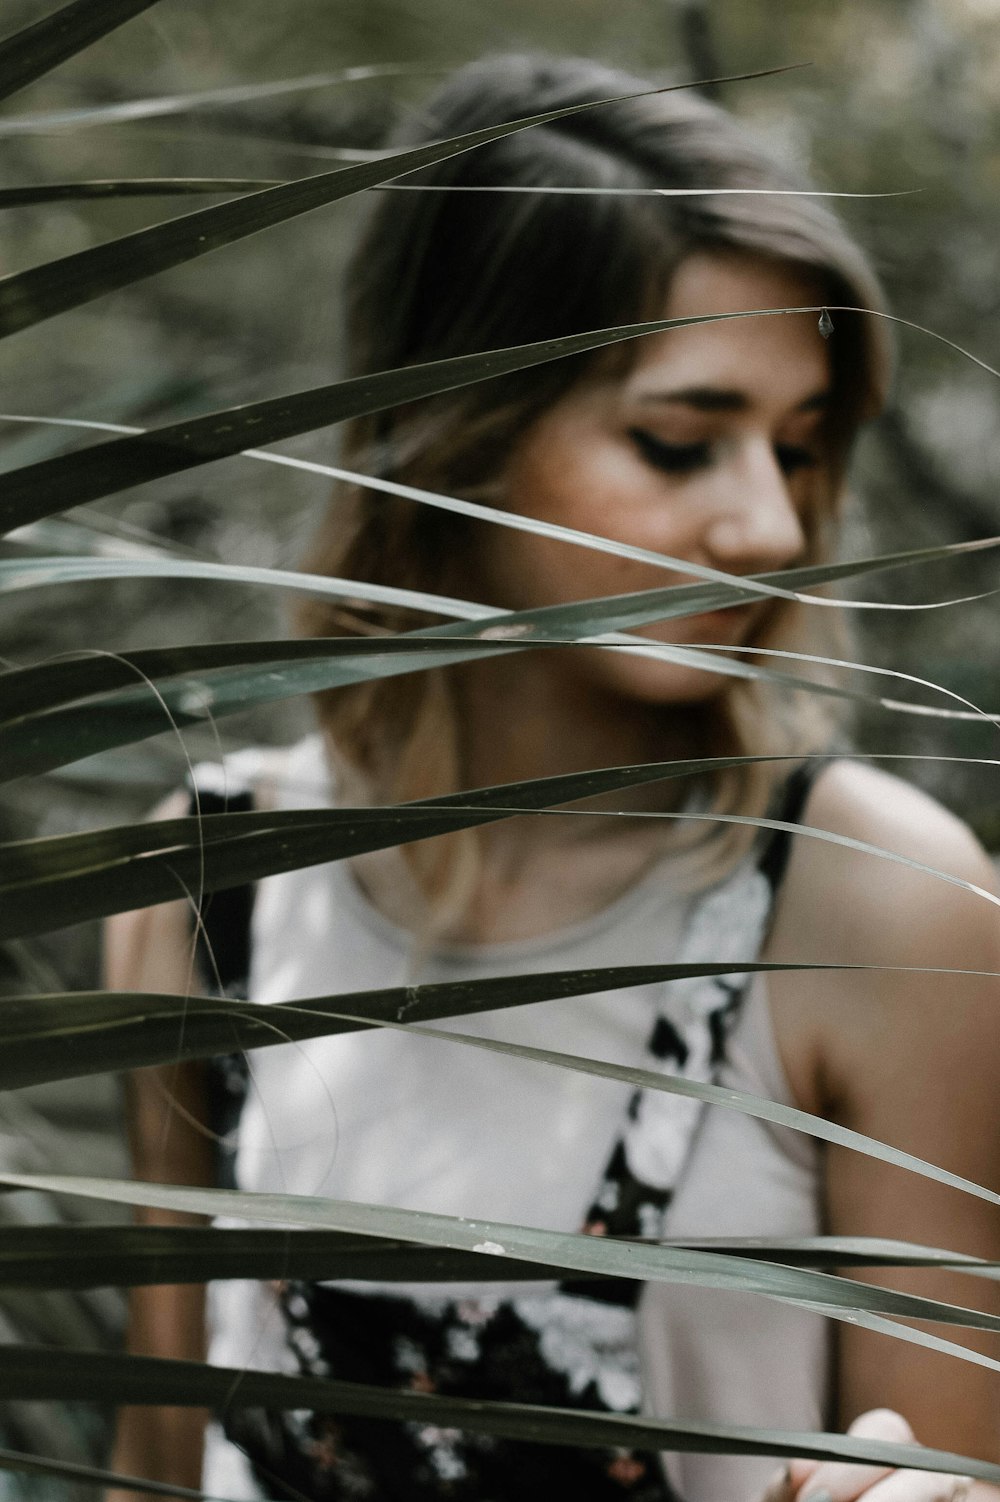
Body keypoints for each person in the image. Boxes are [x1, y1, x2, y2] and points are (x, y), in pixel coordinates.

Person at [105, 53, 1000, 1502]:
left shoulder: (890, 911)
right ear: (448, 423)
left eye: (802, 445)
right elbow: (153, 1458)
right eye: (678, 439)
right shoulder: (210, 890)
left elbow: (957, 1463)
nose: (770, 524)